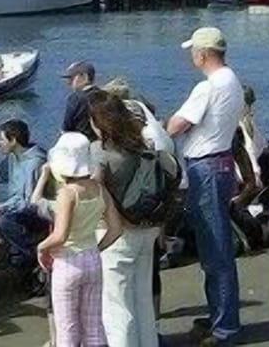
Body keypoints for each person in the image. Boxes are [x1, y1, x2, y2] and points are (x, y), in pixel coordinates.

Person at [167, 26, 243, 347]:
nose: (191, 57)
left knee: (215, 250)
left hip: (207, 169)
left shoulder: (207, 87)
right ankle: (219, 316)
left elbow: (176, 125)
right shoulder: (233, 81)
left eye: (193, 52)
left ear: (202, 54)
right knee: (218, 247)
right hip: (222, 163)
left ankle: (225, 326)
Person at [90, 92, 166, 347]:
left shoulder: (101, 151)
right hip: (147, 230)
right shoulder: (143, 146)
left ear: (98, 122)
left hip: (116, 235)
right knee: (143, 302)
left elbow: (96, 189)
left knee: (117, 310)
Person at [32, 132, 122, 347]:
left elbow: (60, 235)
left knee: (68, 329)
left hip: (68, 262)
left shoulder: (68, 193)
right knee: (93, 326)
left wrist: (41, 247)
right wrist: (97, 249)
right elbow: (116, 229)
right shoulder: (100, 189)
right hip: (92, 259)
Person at [0, 120, 49, 282]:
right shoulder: (13, 157)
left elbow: (30, 201)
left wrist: (1, 206)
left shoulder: (35, 162)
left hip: (36, 212)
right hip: (17, 206)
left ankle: (31, 255)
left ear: (14, 140)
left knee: (5, 221)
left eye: (2, 140)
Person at [61, 61, 101, 141]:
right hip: (102, 142)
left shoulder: (75, 98)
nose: (68, 83)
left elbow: (66, 127)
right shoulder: (104, 95)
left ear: (84, 76)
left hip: (81, 143)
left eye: (71, 78)